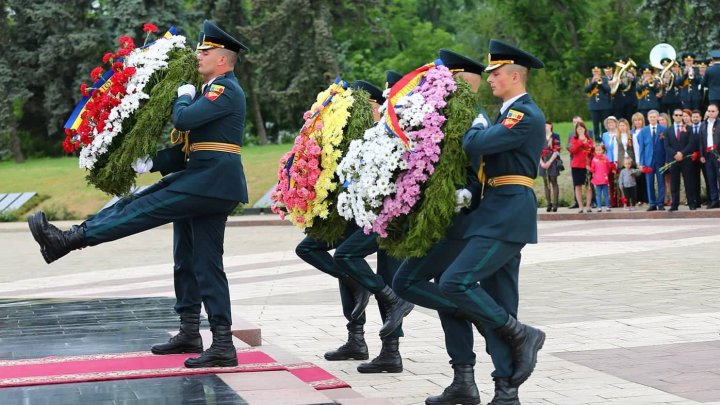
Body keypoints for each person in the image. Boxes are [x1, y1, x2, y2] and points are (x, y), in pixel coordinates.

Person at [27, 20, 249, 368]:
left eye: (204, 52)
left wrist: (183, 96)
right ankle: (203, 335)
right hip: (205, 178)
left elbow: (185, 121)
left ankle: (70, 239)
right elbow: (191, 147)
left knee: (141, 208)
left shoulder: (225, 90)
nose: (198, 56)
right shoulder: (214, 90)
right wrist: (148, 162)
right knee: (195, 262)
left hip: (209, 182)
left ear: (223, 59)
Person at [393, 39, 546, 405]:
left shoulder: (523, 114)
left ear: (514, 75)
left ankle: (520, 333)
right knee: (500, 301)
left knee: (455, 282)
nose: (489, 78)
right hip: (496, 211)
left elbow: (478, 144)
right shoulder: (507, 112)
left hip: (507, 214)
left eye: (495, 73)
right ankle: (506, 391)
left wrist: (470, 130)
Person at [296, 77, 409, 374]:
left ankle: (391, 351)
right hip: (353, 213)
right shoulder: (352, 132)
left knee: (386, 275)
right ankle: (355, 337)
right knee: (329, 258)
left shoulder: (390, 129)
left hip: (387, 215)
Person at [637, 109, 667, 211]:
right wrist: (641, 163)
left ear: (658, 118)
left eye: (654, 117)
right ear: (648, 118)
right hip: (648, 161)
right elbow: (641, 148)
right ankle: (652, 203)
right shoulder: (643, 131)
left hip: (660, 160)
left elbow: (666, 146)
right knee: (649, 182)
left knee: (661, 182)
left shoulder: (663, 129)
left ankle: (661, 203)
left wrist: (666, 160)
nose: (653, 119)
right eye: (651, 117)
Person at [568, 122, 594, 213]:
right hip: (576, 165)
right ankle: (580, 206)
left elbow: (591, 151)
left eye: (581, 128)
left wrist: (585, 141)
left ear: (585, 129)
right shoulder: (573, 139)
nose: (580, 130)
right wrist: (580, 141)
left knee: (588, 186)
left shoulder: (589, 140)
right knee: (578, 186)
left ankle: (588, 206)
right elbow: (572, 150)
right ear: (576, 130)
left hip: (587, 166)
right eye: (578, 129)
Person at [699, 103, 720, 208]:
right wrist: (702, 155)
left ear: (717, 112)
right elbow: (701, 141)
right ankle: (714, 200)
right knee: (710, 178)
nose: (711, 113)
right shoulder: (703, 125)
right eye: (709, 111)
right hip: (708, 155)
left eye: (713, 111)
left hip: (718, 154)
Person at [585, 64, 612, 140]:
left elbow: (608, 90)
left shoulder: (605, 79)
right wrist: (593, 82)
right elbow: (586, 90)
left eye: (598, 71)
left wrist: (601, 83)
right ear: (592, 72)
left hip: (605, 105)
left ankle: (604, 139)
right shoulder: (589, 80)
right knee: (595, 124)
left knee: (604, 124)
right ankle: (597, 139)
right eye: (595, 71)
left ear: (600, 72)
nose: (596, 73)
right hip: (594, 106)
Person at [539, 121, 561, 212]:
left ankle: (555, 204)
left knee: (553, 181)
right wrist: (542, 163)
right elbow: (537, 150)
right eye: (543, 126)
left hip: (552, 160)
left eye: (547, 125)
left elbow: (557, 150)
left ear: (551, 126)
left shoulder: (555, 136)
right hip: (542, 161)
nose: (545, 127)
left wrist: (549, 162)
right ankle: (548, 204)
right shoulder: (540, 137)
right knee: (545, 183)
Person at [601, 116, 620, 206]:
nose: (610, 124)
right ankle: (612, 201)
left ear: (616, 123)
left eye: (612, 122)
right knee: (610, 182)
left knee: (619, 181)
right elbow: (603, 148)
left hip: (618, 160)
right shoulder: (604, 135)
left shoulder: (619, 133)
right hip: (608, 161)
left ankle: (621, 200)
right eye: (609, 123)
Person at [630, 112, 648, 205]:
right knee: (637, 179)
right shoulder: (631, 132)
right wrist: (637, 161)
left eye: (639, 120)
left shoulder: (645, 130)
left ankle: (646, 199)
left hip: (645, 158)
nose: (637, 122)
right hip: (635, 159)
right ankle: (638, 199)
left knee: (645, 179)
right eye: (635, 120)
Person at [590, 143, 612, 212]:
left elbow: (609, 167)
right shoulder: (594, 160)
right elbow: (592, 168)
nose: (598, 151)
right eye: (597, 150)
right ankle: (599, 207)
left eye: (600, 150)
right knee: (598, 194)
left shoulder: (606, 158)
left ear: (603, 150)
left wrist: (606, 173)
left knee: (606, 193)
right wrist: (592, 171)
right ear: (595, 151)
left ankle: (607, 206)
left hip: (604, 179)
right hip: (597, 179)